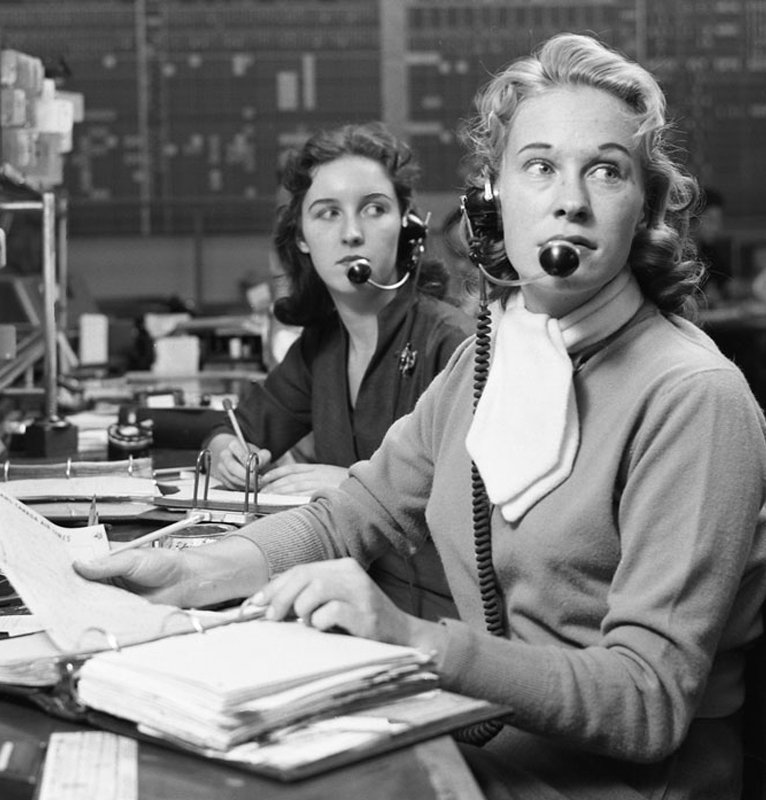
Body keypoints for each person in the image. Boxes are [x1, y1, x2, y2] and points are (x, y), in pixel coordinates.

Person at [76, 33, 766, 800]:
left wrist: (413, 644)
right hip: (467, 738)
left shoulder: (693, 395)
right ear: (492, 201)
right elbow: (355, 514)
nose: (569, 199)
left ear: (644, 207)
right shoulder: (497, 356)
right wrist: (196, 571)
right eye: (539, 166)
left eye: (604, 170)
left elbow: (647, 700)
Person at [203, 122, 474, 619]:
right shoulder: (320, 348)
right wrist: (228, 452)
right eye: (328, 213)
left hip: (441, 618)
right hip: (345, 603)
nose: (352, 233)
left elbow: (478, 510)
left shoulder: (451, 342)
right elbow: (237, 428)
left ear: (406, 228)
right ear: (302, 238)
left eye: (374, 209)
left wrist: (355, 489)